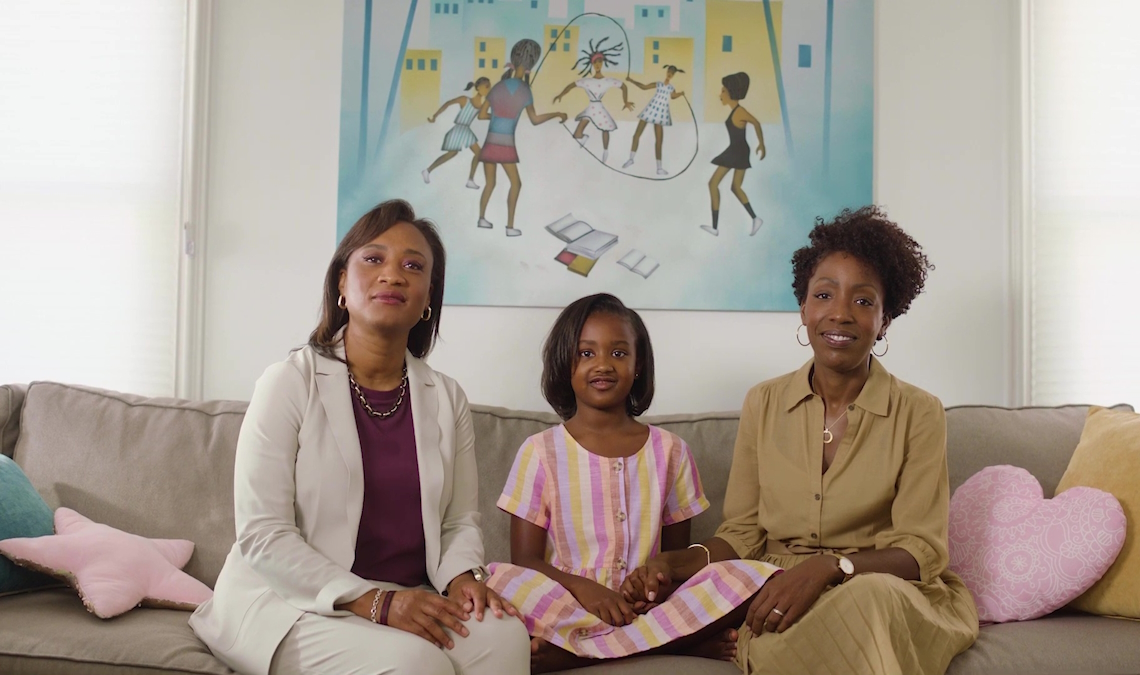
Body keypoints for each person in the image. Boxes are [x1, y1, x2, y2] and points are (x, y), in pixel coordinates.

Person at [628, 207, 979, 674]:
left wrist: (833, 567)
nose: (840, 313)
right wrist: (674, 563)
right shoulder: (764, 402)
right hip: (779, 588)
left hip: (882, 587)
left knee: (870, 601)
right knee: (750, 616)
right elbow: (743, 534)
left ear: (885, 318)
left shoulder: (919, 412)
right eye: (824, 295)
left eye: (863, 301)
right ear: (803, 308)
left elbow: (921, 549)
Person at [189, 200, 531, 675]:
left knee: (504, 638)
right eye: (373, 259)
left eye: (414, 266)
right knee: (416, 664)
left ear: (428, 296)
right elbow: (264, 536)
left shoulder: (447, 397)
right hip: (292, 603)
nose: (393, 274)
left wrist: (464, 578)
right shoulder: (288, 383)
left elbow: (458, 522)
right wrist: (378, 602)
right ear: (342, 285)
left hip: (408, 599)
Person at [486, 294, 777, 674]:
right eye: (586, 353)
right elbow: (524, 561)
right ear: (564, 364)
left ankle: (575, 655)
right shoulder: (539, 452)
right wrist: (584, 590)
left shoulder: (671, 451)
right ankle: (674, 646)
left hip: (648, 608)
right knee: (501, 581)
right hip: (567, 603)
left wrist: (652, 587)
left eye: (619, 353)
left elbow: (676, 562)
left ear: (639, 365)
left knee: (745, 575)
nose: (603, 364)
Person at [478, 39, 568, 236]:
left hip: (489, 142)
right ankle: (509, 227)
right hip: (505, 144)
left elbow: (482, 115)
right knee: (516, 184)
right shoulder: (526, 91)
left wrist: (497, 116)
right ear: (530, 66)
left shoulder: (498, 87)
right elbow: (535, 119)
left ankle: (481, 218)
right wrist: (557, 114)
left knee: (490, 183)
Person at [702, 72, 765, 237]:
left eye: (723, 91)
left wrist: (762, 144)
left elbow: (756, 123)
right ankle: (755, 218)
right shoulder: (735, 111)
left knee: (714, 183)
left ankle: (715, 227)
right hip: (738, 149)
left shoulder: (740, 111)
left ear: (730, 92)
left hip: (737, 151)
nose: (720, 95)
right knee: (735, 187)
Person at [552, 38, 634, 165]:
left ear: (602, 63)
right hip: (591, 108)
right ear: (592, 64)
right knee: (577, 134)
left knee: (605, 128)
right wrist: (560, 95)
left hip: (598, 108)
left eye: (599, 62)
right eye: (595, 62)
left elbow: (624, 86)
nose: (597, 65)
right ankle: (584, 137)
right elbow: (571, 85)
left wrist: (626, 101)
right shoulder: (587, 81)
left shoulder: (607, 81)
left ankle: (605, 151)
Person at [423, 77, 491, 189]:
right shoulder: (465, 100)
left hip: (466, 130)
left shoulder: (481, 106)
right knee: (451, 153)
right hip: (459, 129)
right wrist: (435, 116)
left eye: (489, 86)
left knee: (479, 153)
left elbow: (481, 117)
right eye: (487, 86)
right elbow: (448, 103)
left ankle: (470, 180)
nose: (488, 89)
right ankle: (427, 170)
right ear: (479, 87)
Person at [623, 65, 686, 175]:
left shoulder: (671, 88)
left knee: (659, 141)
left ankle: (659, 168)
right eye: (669, 71)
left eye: (672, 72)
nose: (669, 73)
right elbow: (644, 87)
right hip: (651, 109)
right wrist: (631, 80)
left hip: (661, 113)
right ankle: (631, 159)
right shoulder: (659, 84)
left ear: (674, 75)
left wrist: (680, 94)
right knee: (637, 135)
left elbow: (673, 96)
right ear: (666, 72)